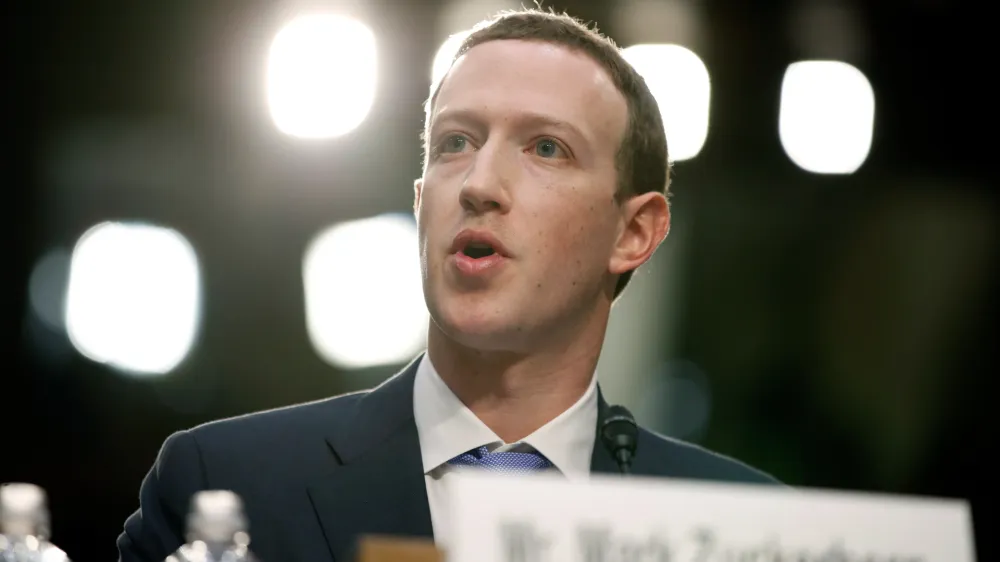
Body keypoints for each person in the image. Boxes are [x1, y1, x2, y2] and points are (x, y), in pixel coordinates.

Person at [118, 8, 779, 562]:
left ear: (634, 233)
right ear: (418, 199)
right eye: (455, 143)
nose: (479, 185)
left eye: (546, 148)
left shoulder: (745, 528)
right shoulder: (226, 481)